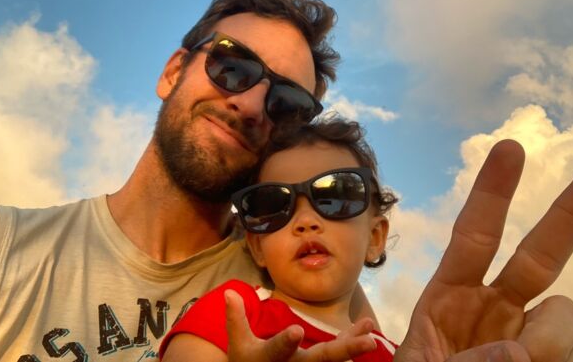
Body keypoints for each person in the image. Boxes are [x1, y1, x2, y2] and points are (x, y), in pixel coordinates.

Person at [0, 0, 573, 362]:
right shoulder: (4, 248)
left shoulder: (308, 285)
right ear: (174, 71)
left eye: (287, 103)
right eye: (232, 67)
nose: (251, 104)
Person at [160, 118, 399, 362]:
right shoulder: (235, 311)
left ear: (374, 238)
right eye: (275, 204)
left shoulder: (396, 354)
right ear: (257, 247)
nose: (306, 221)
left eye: (334, 199)